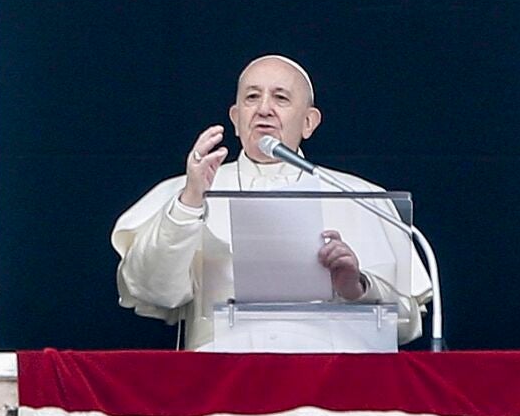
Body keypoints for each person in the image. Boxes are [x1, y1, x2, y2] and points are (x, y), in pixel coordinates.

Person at [111, 55, 430, 348]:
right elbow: (153, 290)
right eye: (252, 97)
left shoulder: (359, 197)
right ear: (236, 118)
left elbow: (406, 323)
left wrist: (357, 287)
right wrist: (190, 202)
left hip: (331, 378)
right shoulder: (187, 192)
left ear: (309, 122)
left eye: (281, 98)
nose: (264, 109)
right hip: (223, 378)